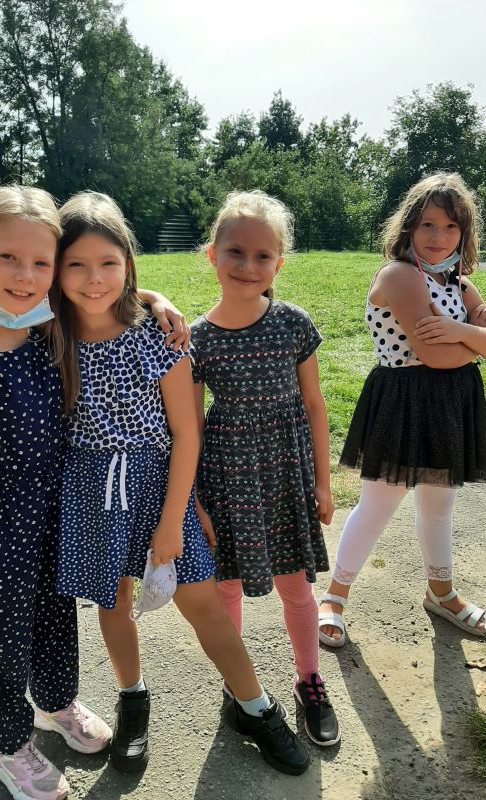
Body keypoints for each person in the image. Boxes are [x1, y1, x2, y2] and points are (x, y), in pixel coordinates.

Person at [52, 191, 310, 776]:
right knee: (114, 602)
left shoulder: (158, 335)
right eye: (77, 264)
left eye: (109, 263)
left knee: (203, 604)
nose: (94, 279)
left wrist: (173, 521)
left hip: (159, 484)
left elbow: (187, 434)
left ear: (128, 264)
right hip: (92, 488)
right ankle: (133, 699)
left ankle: (255, 706)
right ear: (58, 269)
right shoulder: (53, 335)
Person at [0, 186, 113, 800]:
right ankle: (6, 748)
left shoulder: (53, 336)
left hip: (52, 525)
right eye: (8, 257)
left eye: (41, 262)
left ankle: (56, 703)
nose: (26, 276)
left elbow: (112, 297)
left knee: (57, 625)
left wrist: (158, 301)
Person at [318, 172, 486, 648]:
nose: (439, 236)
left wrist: (460, 333)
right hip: (403, 402)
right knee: (378, 505)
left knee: (439, 504)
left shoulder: (459, 284)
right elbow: (435, 355)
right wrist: (477, 341)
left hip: (450, 403)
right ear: (408, 227)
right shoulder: (399, 275)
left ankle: (441, 592)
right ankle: (334, 597)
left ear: (464, 232)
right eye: (428, 225)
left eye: (451, 226)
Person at [191, 190, 341, 748]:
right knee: (226, 587)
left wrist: (323, 481)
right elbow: (191, 428)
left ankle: (309, 681)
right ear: (212, 254)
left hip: (285, 474)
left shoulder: (293, 324)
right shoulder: (196, 339)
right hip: (226, 479)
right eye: (235, 252)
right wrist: (195, 503)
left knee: (296, 587)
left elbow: (315, 406)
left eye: (262, 255)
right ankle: (238, 686)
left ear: (279, 263)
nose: (248, 266)